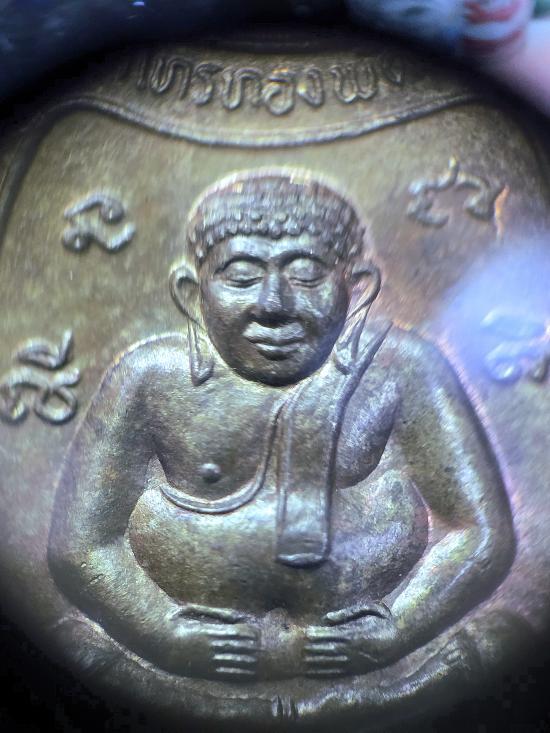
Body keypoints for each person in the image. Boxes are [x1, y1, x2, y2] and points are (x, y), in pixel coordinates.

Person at [48, 170, 515, 683]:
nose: (272, 304)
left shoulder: (404, 369)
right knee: (72, 650)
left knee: (502, 642)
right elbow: (80, 547)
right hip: (175, 678)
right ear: (191, 293)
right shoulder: (149, 377)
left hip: (382, 672)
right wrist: (161, 634)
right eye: (241, 276)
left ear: (357, 288)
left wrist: (394, 632)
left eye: (306, 274)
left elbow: (481, 534)